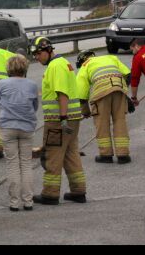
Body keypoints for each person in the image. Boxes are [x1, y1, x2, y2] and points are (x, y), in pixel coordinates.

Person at [29, 36, 86, 205]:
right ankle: (78, 191)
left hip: (59, 120)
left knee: (52, 154)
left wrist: (62, 117)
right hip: (73, 119)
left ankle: (50, 194)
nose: (36, 58)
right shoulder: (64, 63)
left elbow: (62, 93)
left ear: (47, 50)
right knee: (71, 154)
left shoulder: (56, 66)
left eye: (38, 53)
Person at [0, 55, 38, 211]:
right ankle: (28, 201)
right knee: (26, 164)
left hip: (7, 127)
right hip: (27, 128)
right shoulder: (32, 85)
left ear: (8, 69)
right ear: (25, 68)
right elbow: (35, 106)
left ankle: (14, 202)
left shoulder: (2, 84)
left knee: (12, 164)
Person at [76, 50, 132, 164]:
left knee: (102, 123)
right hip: (119, 90)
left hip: (101, 93)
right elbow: (128, 74)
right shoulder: (111, 58)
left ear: (82, 60)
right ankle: (123, 155)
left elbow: (81, 93)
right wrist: (124, 93)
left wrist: (86, 111)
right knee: (120, 121)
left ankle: (106, 155)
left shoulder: (85, 65)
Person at [129, 37, 145, 106]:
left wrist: (134, 98)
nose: (133, 53)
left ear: (136, 46)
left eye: (132, 50)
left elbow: (134, 79)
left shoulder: (138, 57)